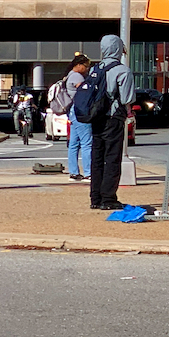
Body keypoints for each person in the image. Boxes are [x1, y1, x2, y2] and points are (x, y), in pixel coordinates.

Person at [89, 34, 135, 211]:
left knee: (97, 158)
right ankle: (109, 198)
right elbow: (127, 98)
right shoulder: (122, 70)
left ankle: (96, 197)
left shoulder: (96, 69)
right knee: (112, 159)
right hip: (113, 118)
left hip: (96, 118)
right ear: (118, 48)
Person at [59, 53, 91, 181]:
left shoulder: (69, 76)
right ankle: (88, 173)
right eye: (85, 66)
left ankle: (74, 172)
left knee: (73, 144)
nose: (87, 69)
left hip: (72, 112)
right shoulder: (77, 77)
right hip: (80, 111)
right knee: (87, 143)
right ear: (78, 65)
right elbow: (85, 94)